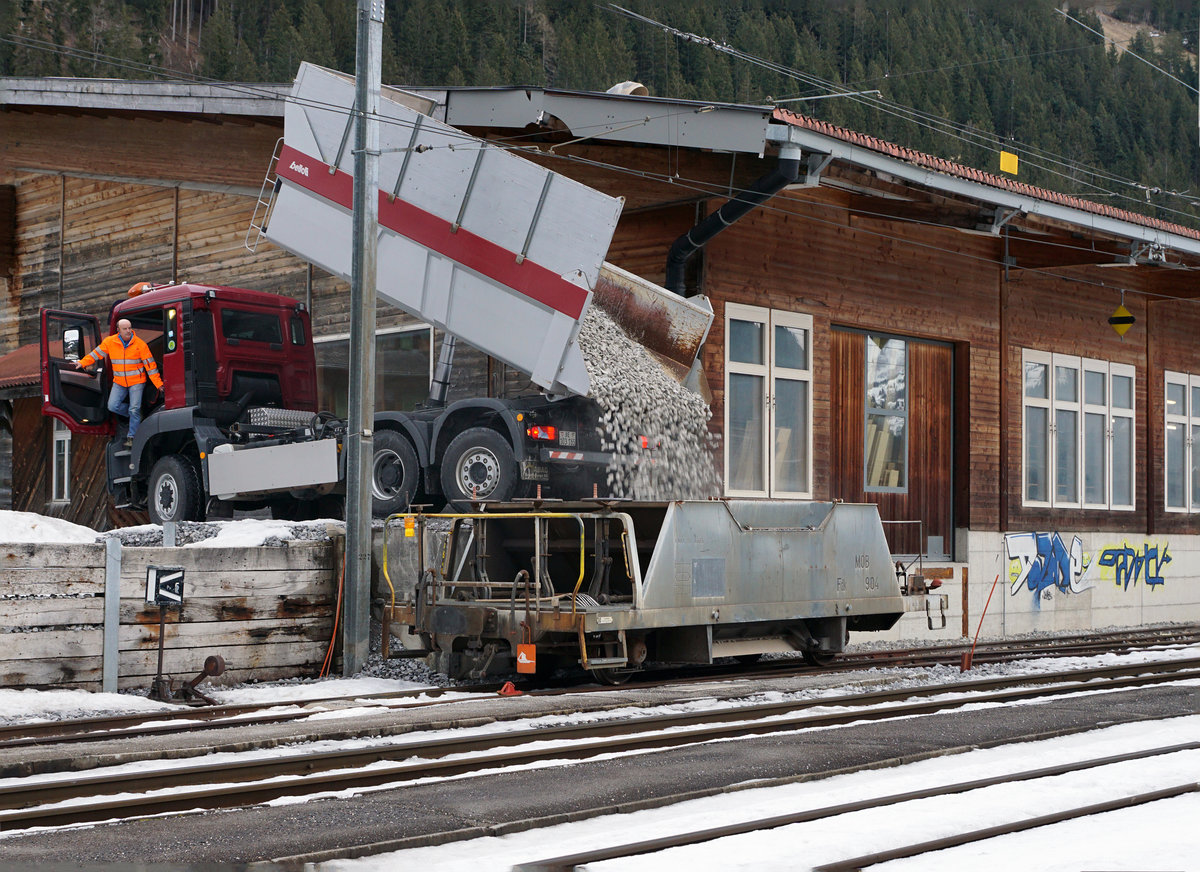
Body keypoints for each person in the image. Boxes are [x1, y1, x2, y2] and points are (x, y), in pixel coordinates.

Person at [75, 318, 164, 447]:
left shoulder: (140, 345)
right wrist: (82, 363)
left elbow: (151, 366)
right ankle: (136, 416)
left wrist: (158, 384)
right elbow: (96, 354)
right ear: (118, 330)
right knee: (113, 406)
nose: (128, 331)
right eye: (125, 329)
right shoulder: (110, 342)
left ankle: (132, 437)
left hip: (137, 382)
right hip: (120, 382)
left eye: (129, 328)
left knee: (134, 408)